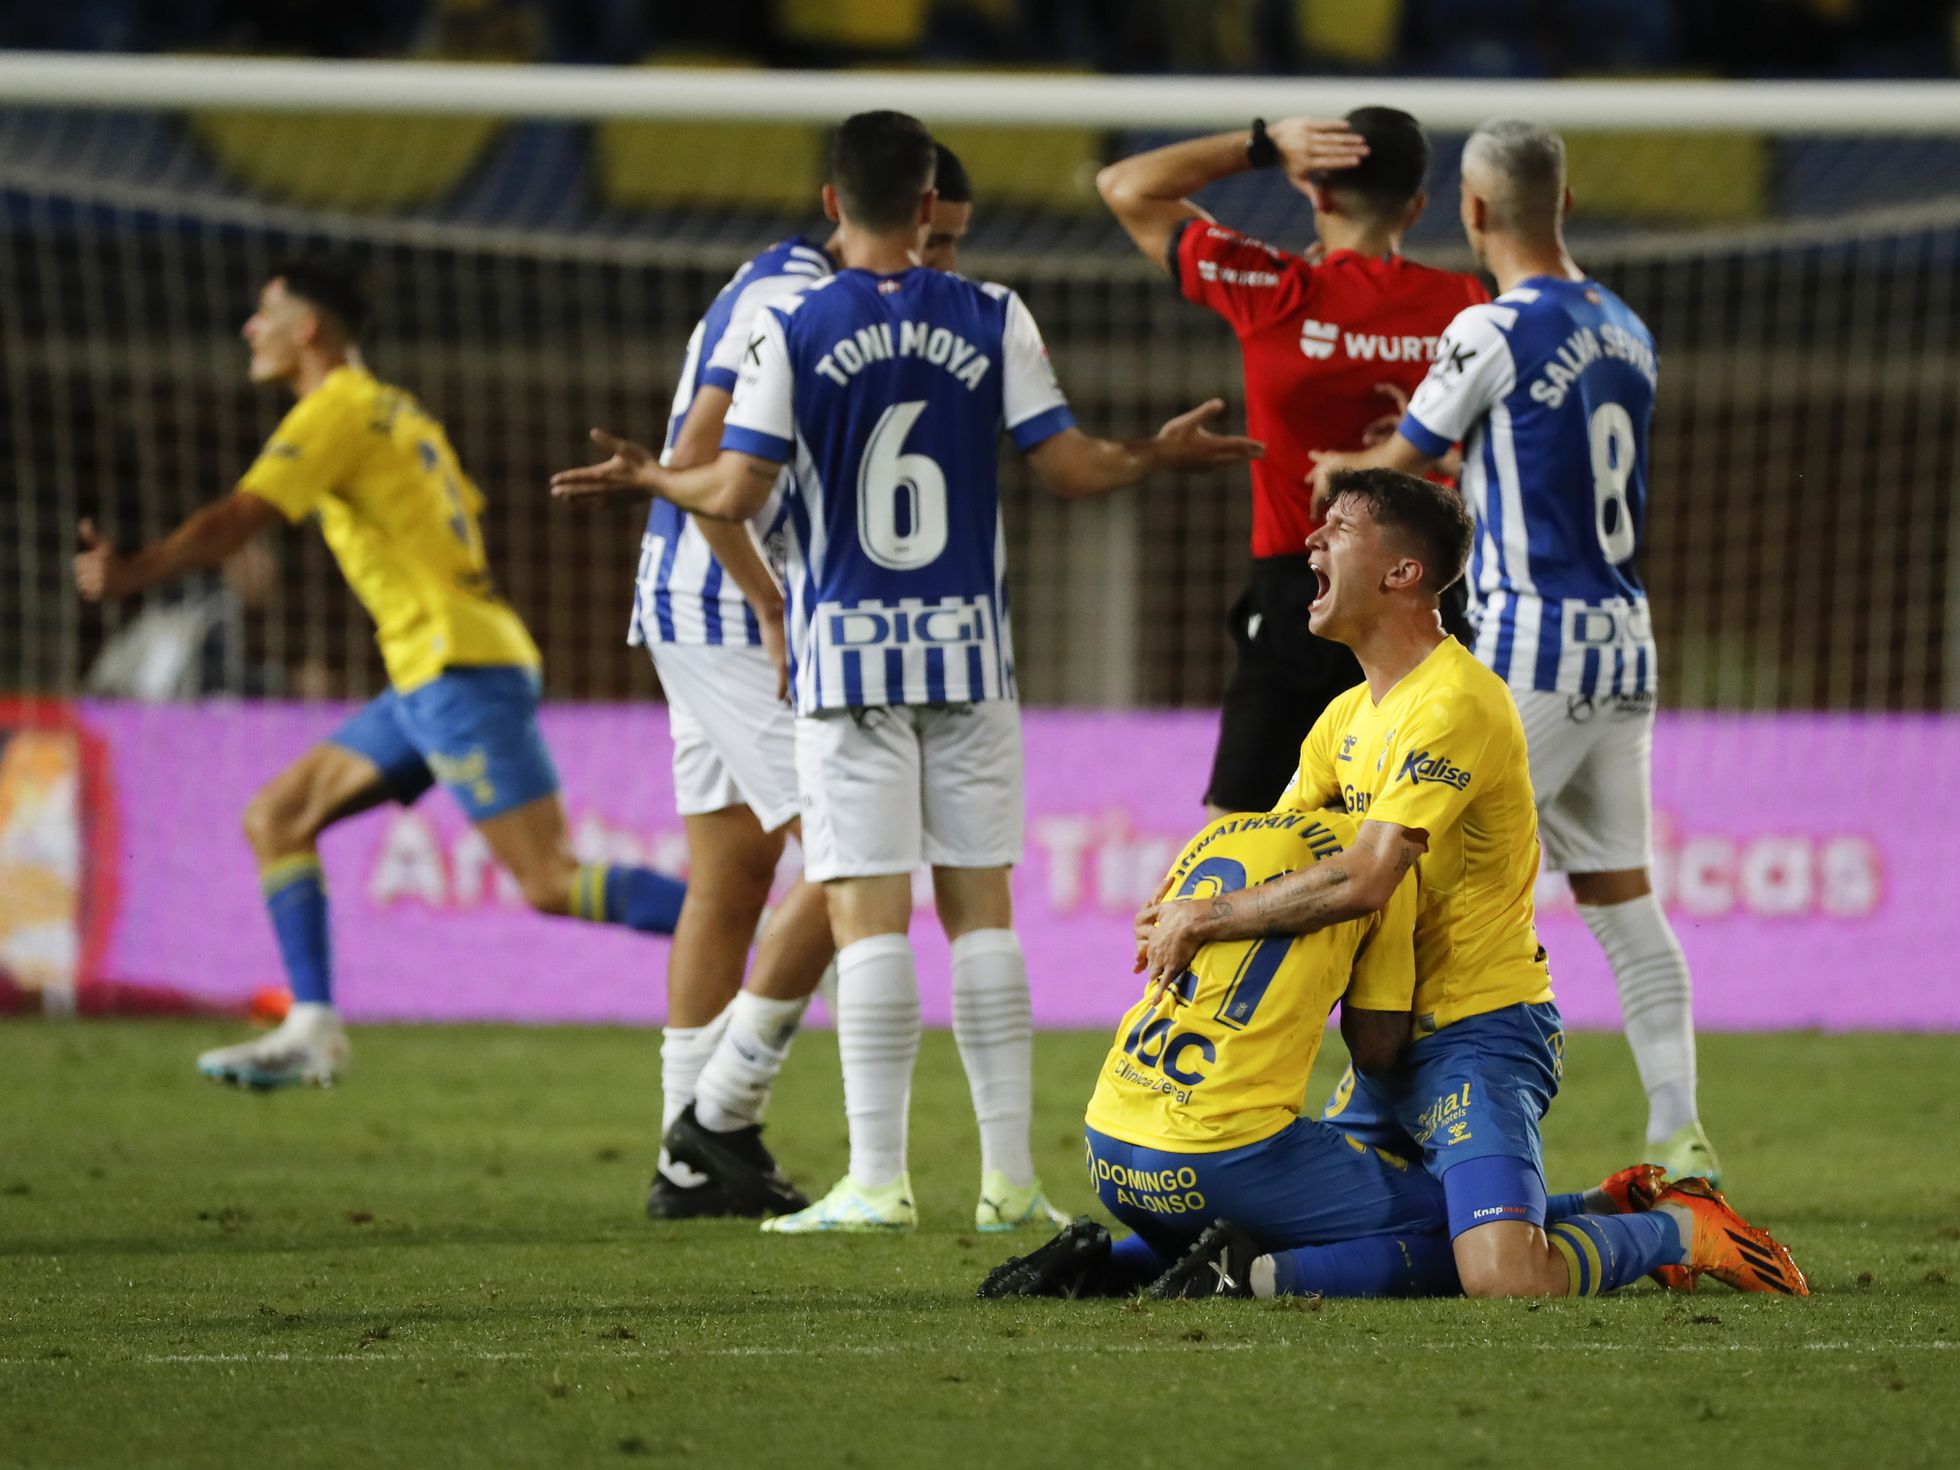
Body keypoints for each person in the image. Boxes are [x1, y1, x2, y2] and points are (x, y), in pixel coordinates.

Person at [553, 110, 1262, 1234]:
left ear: (837, 202)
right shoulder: (991, 314)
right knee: (979, 912)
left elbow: (727, 488)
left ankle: (857, 1174)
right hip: (966, 651)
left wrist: (657, 480)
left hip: (841, 653)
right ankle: (1002, 1182)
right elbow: (1069, 467)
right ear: (927, 206)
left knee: (861, 909)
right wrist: (1155, 456)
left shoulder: (795, 320)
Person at [1133, 470, 1805, 1299]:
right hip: (1384, 1043)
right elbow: (1283, 851)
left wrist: (1209, 916)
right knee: (1306, 1215)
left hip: (1480, 1032)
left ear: (1402, 573)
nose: (1309, 541)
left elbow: (1370, 876)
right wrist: (1190, 905)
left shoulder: (1456, 703)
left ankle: (1680, 1228)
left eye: (1336, 527)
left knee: (1506, 1280)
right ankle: (1604, 1201)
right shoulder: (1344, 719)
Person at [73, 256, 690, 1091]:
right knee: (277, 817)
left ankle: (765, 945)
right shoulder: (398, 411)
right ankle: (314, 1028)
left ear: (309, 329)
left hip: (455, 668)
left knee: (549, 880)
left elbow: (241, 516)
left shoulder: (335, 409)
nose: (252, 330)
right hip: (434, 670)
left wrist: (136, 572)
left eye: (267, 312)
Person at [1309, 120, 1717, 1184]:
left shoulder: (1487, 329)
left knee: (1409, 864)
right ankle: (1680, 1132)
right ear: (1566, 205)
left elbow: (1400, 465)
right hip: (1625, 646)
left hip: (1533, 643)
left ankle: (1372, 1105)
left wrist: (1337, 467)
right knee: (1622, 897)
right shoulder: (1627, 327)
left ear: (1473, 213)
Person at [985, 807, 1803, 1302]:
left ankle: (1107, 1264)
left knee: (1403, 1206)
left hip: (1109, 1150)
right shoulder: (1375, 870)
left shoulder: (1217, 838)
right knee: (1474, 1242)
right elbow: (1376, 1046)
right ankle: (1671, 1230)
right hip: (1220, 1157)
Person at [610, 143, 974, 1222]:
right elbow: (699, 461)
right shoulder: (795, 293)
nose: (937, 258)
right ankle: (717, 1115)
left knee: (730, 874)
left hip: (696, 603)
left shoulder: (795, 279)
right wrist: (771, 603)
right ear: (868, 211)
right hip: (731, 608)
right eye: (930, 235)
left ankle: (692, 1161)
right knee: (862, 848)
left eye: (954, 240)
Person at [1097, 108, 1487, 817]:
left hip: (1301, 595)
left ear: (1318, 194)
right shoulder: (1465, 305)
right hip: (1424, 602)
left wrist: (1263, 145)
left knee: (1237, 844)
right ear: (1418, 206)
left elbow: (1125, 185)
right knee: (1411, 853)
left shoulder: (1272, 288)